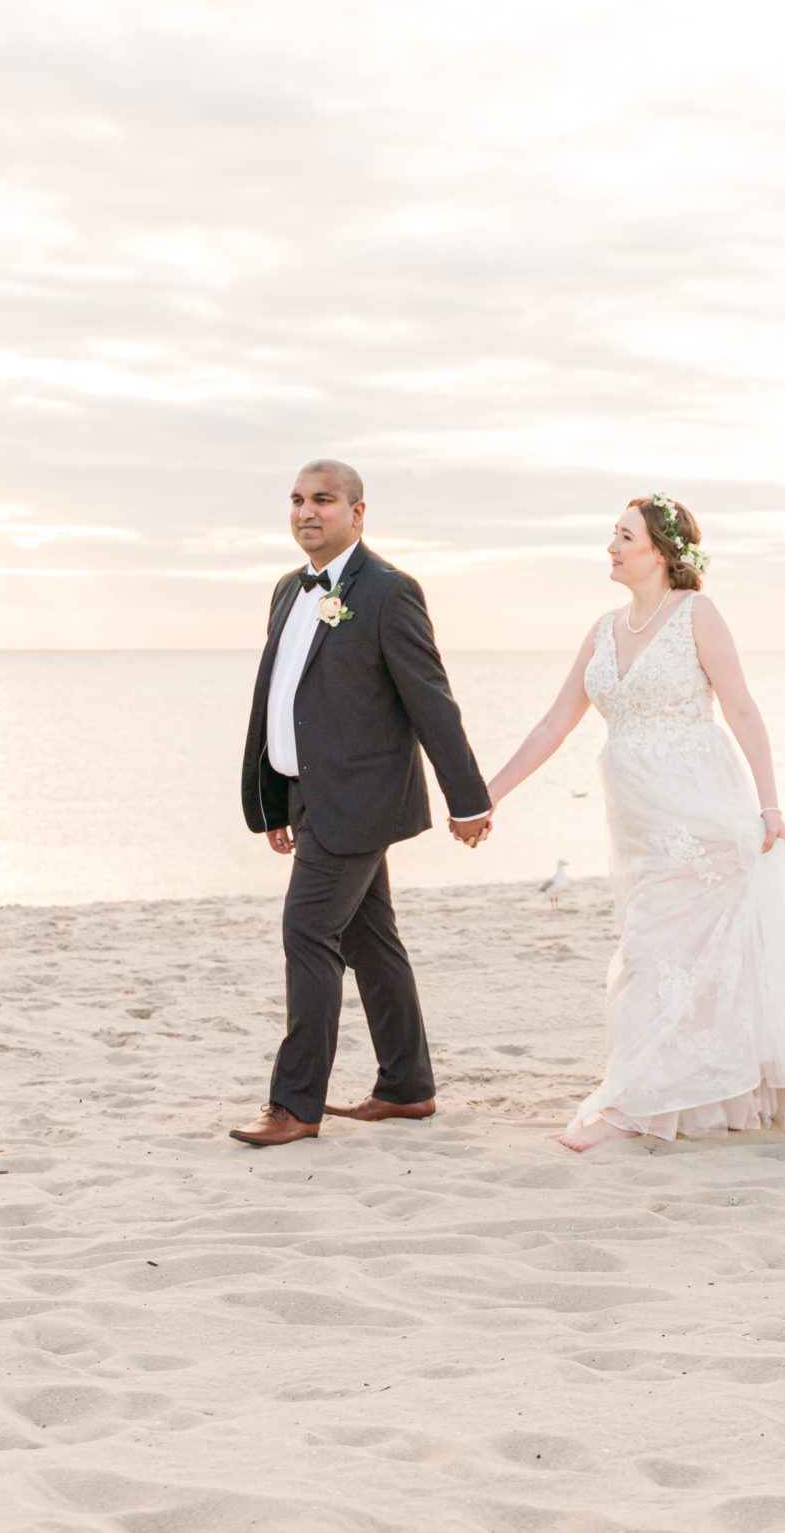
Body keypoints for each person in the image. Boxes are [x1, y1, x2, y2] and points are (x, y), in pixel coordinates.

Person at [486, 491, 785, 1149]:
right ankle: (720, 1083)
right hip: (639, 825)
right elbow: (555, 722)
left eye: (624, 536)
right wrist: (488, 792)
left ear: (660, 552)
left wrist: (770, 805)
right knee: (656, 947)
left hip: (705, 813)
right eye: (613, 534)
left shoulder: (698, 614)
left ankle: (633, 1105)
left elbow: (743, 710)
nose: (610, 546)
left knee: (660, 953)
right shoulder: (603, 630)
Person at [229, 459, 493, 1147]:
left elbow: (430, 700)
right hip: (310, 794)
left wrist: (467, 799)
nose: (306, 511)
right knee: (369, 938)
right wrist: (277, 799)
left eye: (322, 499)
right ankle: (407, 1087)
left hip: (361, 798)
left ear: (357, 511)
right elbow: (286, 701)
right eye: (295, 500)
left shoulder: (388, 592)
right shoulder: (288, 590)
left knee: (306, 930)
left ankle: (294, 1106)